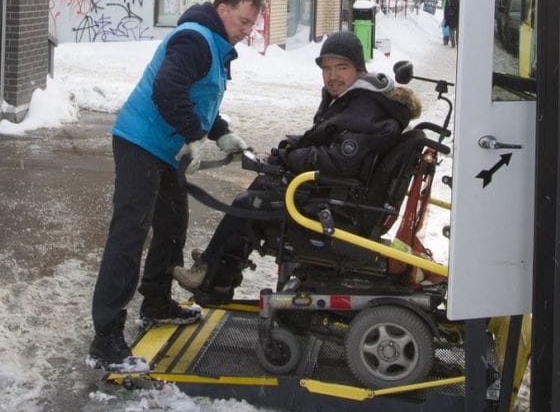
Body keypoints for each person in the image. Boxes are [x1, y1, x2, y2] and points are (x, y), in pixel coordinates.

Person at [88, 0, 265, 369]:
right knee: (130, 234)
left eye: (251, 25)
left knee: (172, 225)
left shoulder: (214, 44)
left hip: (165, 148)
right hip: (140, 142)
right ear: (222, 10)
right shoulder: (195, 40)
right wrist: (194, 136)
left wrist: (221, 133)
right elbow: (167, 90)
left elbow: (195, 96)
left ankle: (156, 304)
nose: (247, 31)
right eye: (243, 21)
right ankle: (106, 338)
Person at [172, 31, 421, 300]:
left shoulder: (366, 109)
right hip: (338, 197)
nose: (333, 76)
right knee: (263, 186)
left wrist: (289, 158)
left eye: (342, 68)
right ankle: (217, 267)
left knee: (249, 204)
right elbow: (326, 139)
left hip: (338, 210)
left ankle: (211, 276)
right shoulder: (357, 100)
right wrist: (286, 150)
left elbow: (338, 161)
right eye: (327, 69)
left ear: (359, 70)